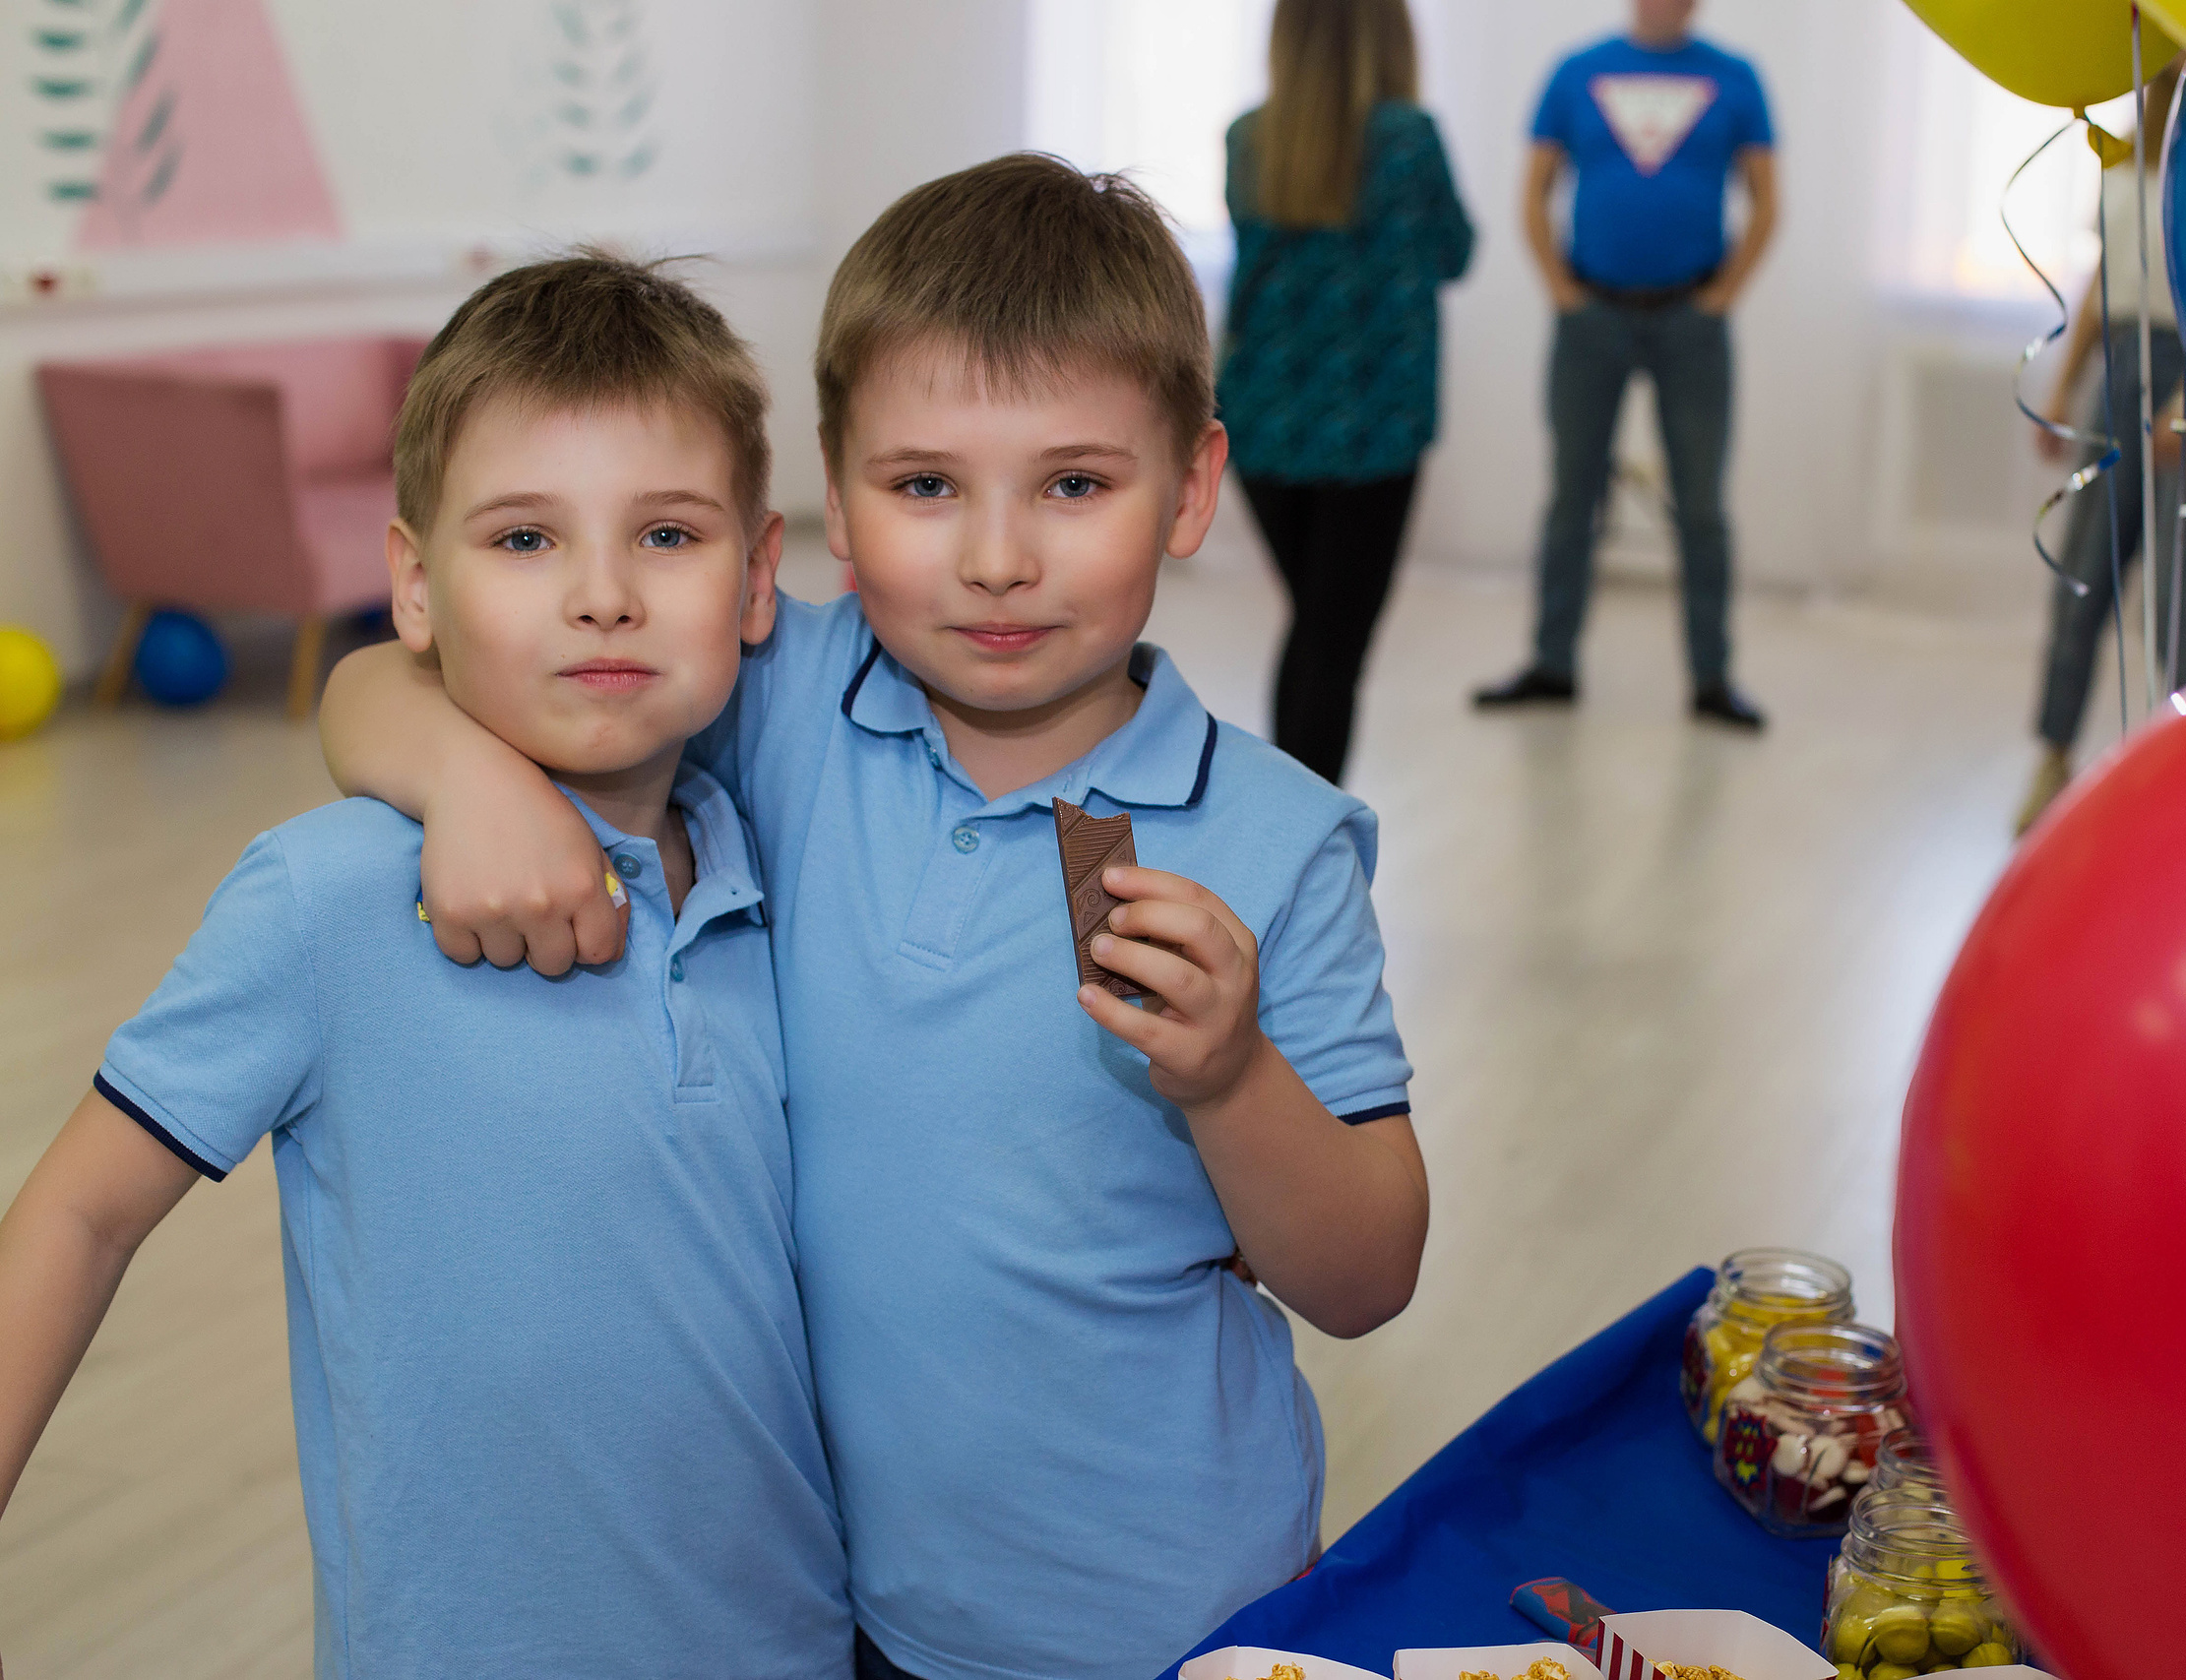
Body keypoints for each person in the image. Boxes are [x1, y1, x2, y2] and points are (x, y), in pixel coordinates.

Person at [318, 156, 1428, 1680]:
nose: (995, 557)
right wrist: (464, 773)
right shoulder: (784, 700)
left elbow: (1368, 1277)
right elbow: (377, 679)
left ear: (1193, 488)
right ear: (832, 505)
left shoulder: (1283, 839)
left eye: (1076, 483)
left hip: (1178, 1611)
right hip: (856, 1597)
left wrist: (1233, 1079)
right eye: (925, 486)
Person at [0, 255, 852, 1676]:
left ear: (760, 574)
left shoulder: (787, 874)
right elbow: (77, 1217)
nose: (601, 596)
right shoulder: (329, 896)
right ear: (412, 582)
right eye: (525, 540)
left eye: (667, 535)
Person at [1474, 0, 1779, 728]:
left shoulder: (1736, 79)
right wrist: (1561, 291)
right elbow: (1534, 190)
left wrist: (1722, 298)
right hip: (1592, 317)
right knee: (1571, 498)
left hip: (1691, 319)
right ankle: (1553, 664)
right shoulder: (1575, 73)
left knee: (1701, 508)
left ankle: (1711, 679)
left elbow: (1767, 201)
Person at [1218, 0, 1473, 785]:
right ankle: (1300, 853)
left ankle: (1284, 837)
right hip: (1373, 429)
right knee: (1333, 642)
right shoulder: (1408, 138)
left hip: (1262, 423)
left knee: (1318, 631)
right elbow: (1455, 252)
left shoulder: (1250, 137)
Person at [2017, 63, 2186, 835]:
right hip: (2119, 374)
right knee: (2084, 577)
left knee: (2181, 597)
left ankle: (2183, 776)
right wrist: (2065, 386)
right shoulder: (2120, 169)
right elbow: (2104, 281)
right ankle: (2051, 755)